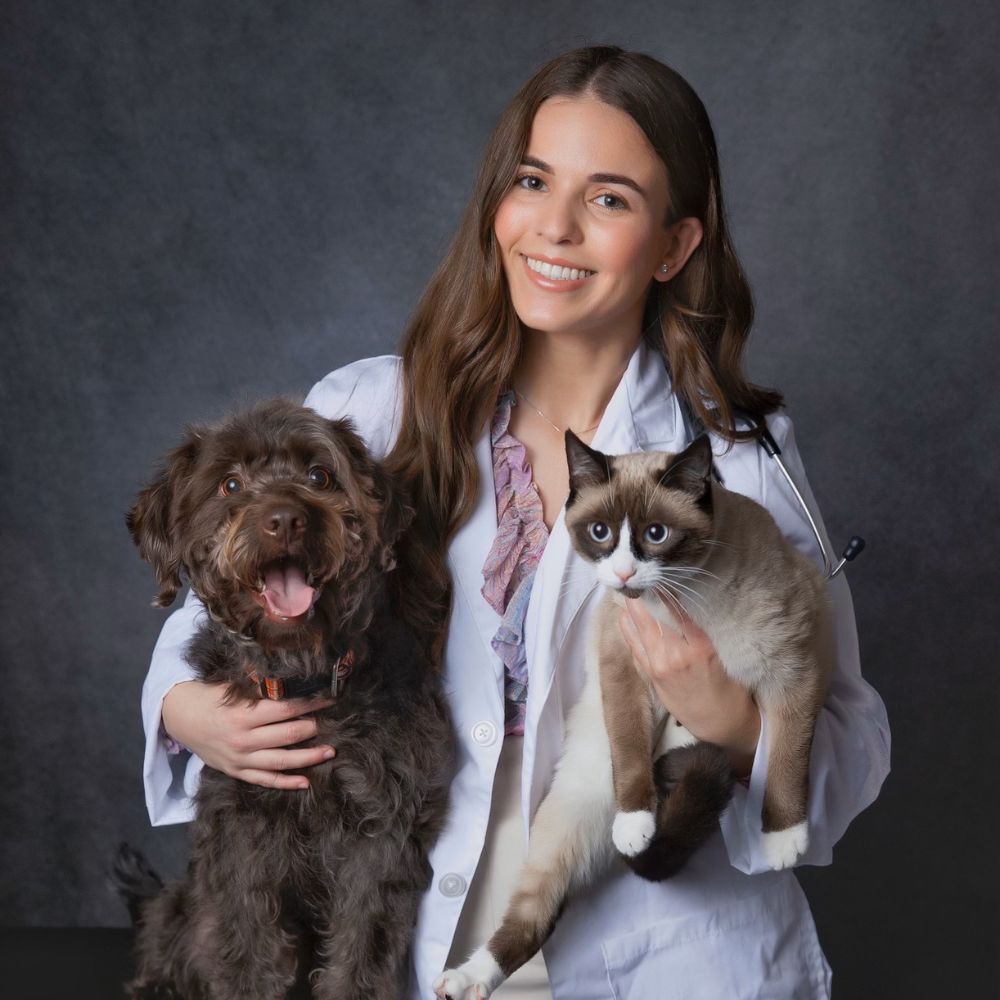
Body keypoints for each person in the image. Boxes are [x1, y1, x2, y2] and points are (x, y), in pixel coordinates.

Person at [141, 46, 890, 999]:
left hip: (659, 954)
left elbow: (853, 747)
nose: (556, 227)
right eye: (534, 181)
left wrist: (730, 719)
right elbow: (219, 609)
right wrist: (183, 708)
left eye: (610, 199)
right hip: (413, 939)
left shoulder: (734, 459)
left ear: (674, 245)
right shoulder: (377, 411)